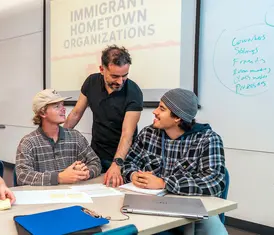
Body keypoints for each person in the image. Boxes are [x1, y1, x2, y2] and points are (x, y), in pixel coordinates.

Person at [122, 88, 227, 234]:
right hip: (149, 204)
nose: (155, 112)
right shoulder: (148, 133)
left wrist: (163, 183)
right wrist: (134, 175)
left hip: (190, 206)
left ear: (177, 117)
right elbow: (128, 163)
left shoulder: (207, 139)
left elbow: (215, 181)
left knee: (214, 230)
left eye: (162, 109)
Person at [64, 45, 143, 187]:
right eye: (115, 76)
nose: (120, 81)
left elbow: (127, 134)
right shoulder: (91, 82)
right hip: (97, 154)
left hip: (123, 157)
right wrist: (60, 137)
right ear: (102, 69)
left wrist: (117, 164)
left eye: (124, 76)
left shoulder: (134, 92)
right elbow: (76, 113)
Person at [15, 89, 102, 186]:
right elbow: (22, 176)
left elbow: (95, 162)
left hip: (72, 196)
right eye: (57, 106)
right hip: (44, 198)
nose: (63, 109)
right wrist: (59, 178)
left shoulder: (75, 137)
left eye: (62, 105)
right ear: (42, 113)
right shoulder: (28, 143)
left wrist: (85, 173)